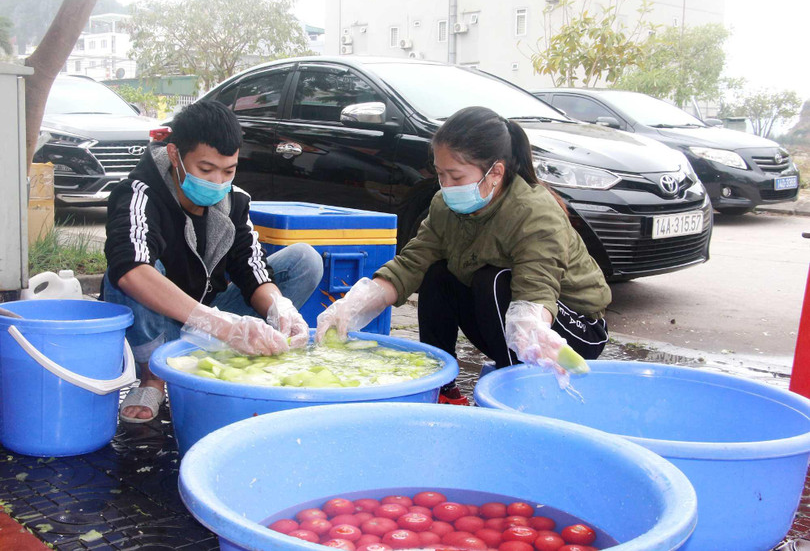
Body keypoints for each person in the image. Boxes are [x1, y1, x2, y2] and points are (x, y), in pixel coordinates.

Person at [315, 106, 611, 404]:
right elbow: (410, 265)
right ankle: (444, 389)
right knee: (436, 273)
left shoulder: (534, 211)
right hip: (506, 322)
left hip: (567, 330)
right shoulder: (445, 207)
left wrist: (533, 329)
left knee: (491, 279)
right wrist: (352, 307)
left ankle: (519, 389)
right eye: (441, 175)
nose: (447, 187)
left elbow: (537, 288)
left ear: (495, 172)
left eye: (455, 177)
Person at [103, 100, 323, 423]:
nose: (218, 182)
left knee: (306, 260)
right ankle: (154, 377)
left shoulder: (234, 202)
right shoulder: (139, 193)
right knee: (125, 273)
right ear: (176, 154)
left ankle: (241, 355)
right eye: (206, 170)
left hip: (211, 325)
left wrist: (279, 307)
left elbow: (252, 266)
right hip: (162, 326)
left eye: (229, 171)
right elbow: (130, 267)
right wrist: (219, 325)